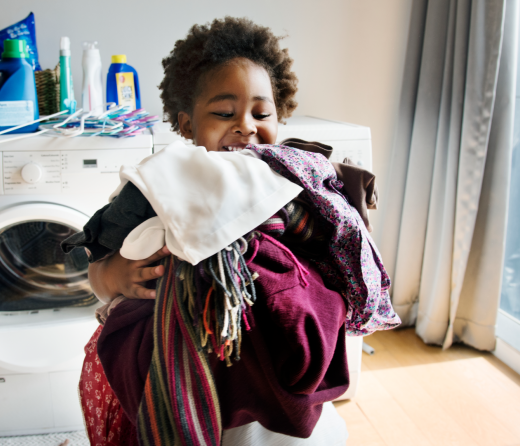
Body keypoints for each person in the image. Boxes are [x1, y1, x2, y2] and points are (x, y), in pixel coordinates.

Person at [71, 17, 397, 446]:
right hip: (189, 356)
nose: (245, 125)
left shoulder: (290, 180)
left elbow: (336, 248)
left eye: (261, 113)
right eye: (225, 113)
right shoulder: (162, 181)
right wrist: (116, 275)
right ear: (187, 125)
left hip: (282, 361)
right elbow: (96, 265)